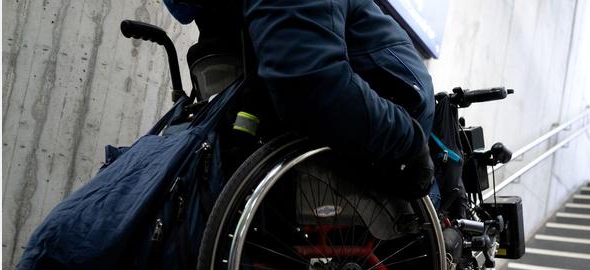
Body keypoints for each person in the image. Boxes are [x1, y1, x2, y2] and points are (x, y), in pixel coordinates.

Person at [163, 0, 436, 200]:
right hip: (384, 158)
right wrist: (409, 144)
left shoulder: (221, 16)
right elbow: (312, 84)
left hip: (363, 149)